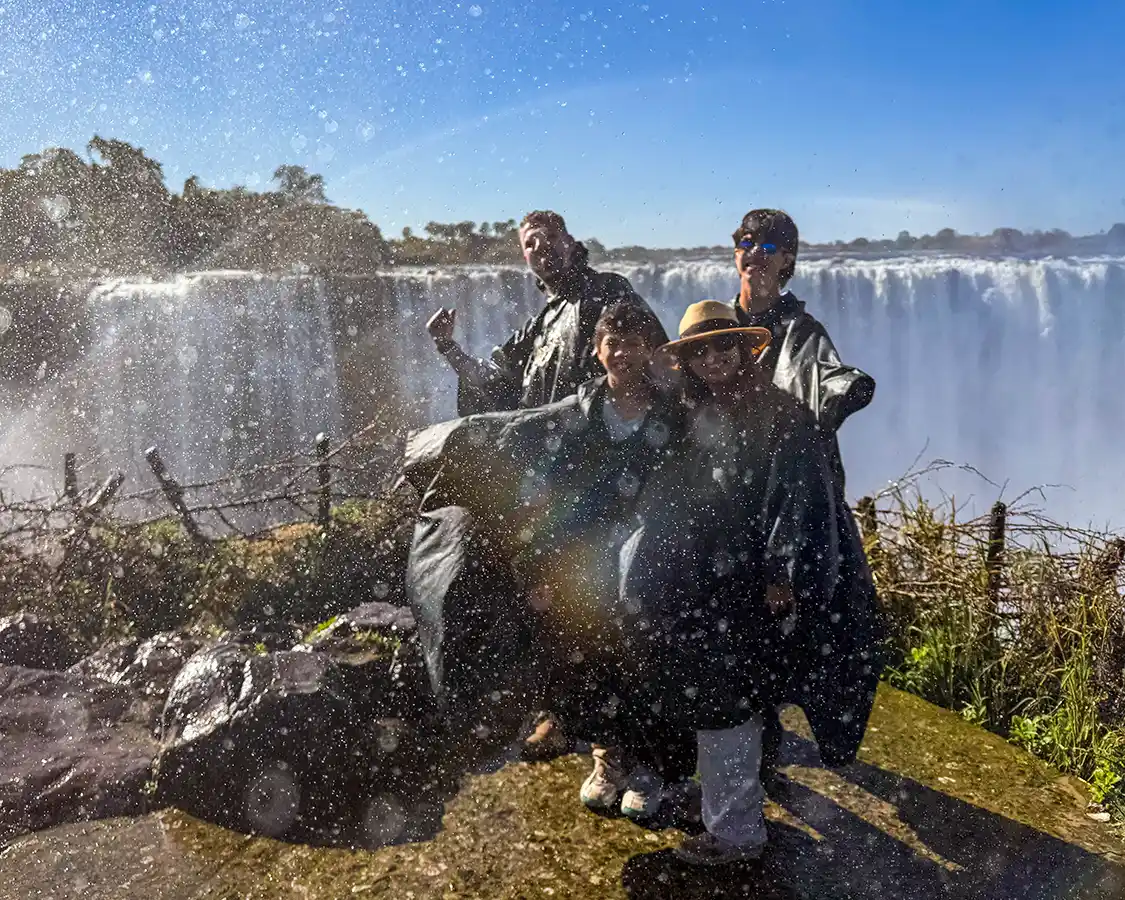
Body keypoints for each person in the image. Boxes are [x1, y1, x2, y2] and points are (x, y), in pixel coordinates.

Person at [618, 300, 880, 865]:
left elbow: (798, 500)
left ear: (745, 350)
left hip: (751, 584)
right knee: (729, 698)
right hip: (702, 579)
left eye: (724, 346)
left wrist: (779, 574)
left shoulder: (781, 414)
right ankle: (730, 807)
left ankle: (735, 833)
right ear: (687, 361)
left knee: (728, 701)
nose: (713, 358)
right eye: (699, 351)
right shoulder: (690, 412)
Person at [400, 301, 688, 786]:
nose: (623, 354)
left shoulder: (673, 416)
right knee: (585, 652)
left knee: (647, 656)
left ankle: (653, 766)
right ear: (596, 351)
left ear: (651, 351)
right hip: (587, 555)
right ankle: (607, 753)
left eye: (634, 344)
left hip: (648, 554)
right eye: (613, 344)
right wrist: (539, 566)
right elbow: (547, 488)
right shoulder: (577, 414)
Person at [727, 208, 879, 784]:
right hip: (730, 500)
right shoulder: (720, 326)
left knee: (815, 620)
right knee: (735, 624)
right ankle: (752, 747)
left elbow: (823, 374)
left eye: (767, 246)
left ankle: (773, 750)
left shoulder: (803, 331)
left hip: (789, 503)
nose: (753, 253)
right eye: (745, 242)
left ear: (787, 259)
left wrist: (843, 392)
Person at [426, 209, 667, 417]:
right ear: (525, 257)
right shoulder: (539, 326)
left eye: (550, 236)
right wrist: (447, 346)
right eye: (530, 243)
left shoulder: (606, 290)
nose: (541, 246)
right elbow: (496, 381)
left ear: (570, 244)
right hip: (555, 449)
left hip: (608, 441)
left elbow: (655, 358)